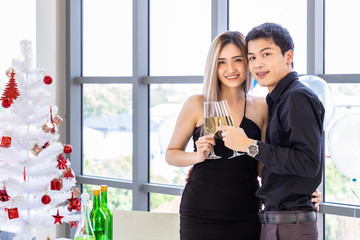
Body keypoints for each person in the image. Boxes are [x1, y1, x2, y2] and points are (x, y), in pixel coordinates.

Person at [165, 30, 322, 240]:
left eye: (238, 60)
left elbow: (264, 164)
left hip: (246, 211)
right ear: (214, 66)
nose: (230, 69)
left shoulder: (261, 106)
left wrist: (299, 190)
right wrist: (196, 157)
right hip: (200, 211)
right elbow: (171, 154)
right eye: (222, 62)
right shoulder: (196, 104)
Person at [219, 23, 325, 240]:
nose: (258, 64)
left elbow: (308, 162)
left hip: (290, 226)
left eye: (265, 54)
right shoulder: (277, 100)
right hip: (276, 222)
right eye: (252, 57)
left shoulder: (297, 97)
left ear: (288, 56)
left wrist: (248, 145)